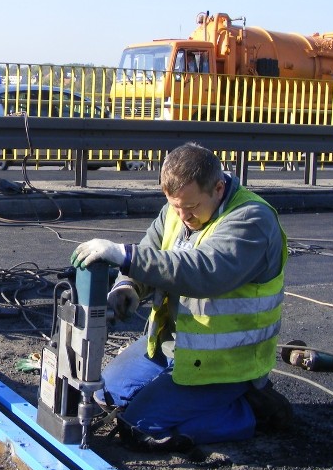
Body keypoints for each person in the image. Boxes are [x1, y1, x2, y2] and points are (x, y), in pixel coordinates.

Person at [71, 142, 291, 451]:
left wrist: (123, 255)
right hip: (175, 344)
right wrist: (128, 287)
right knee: (106, 395)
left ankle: (249, 410)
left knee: (141, 427)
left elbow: (203, 271)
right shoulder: (176, 210)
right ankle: (183, 400)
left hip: (224, 363)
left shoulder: (251, 219)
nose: (182, 215)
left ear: (217, 188)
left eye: (190, 208)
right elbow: (150, 254)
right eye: (175, 206)